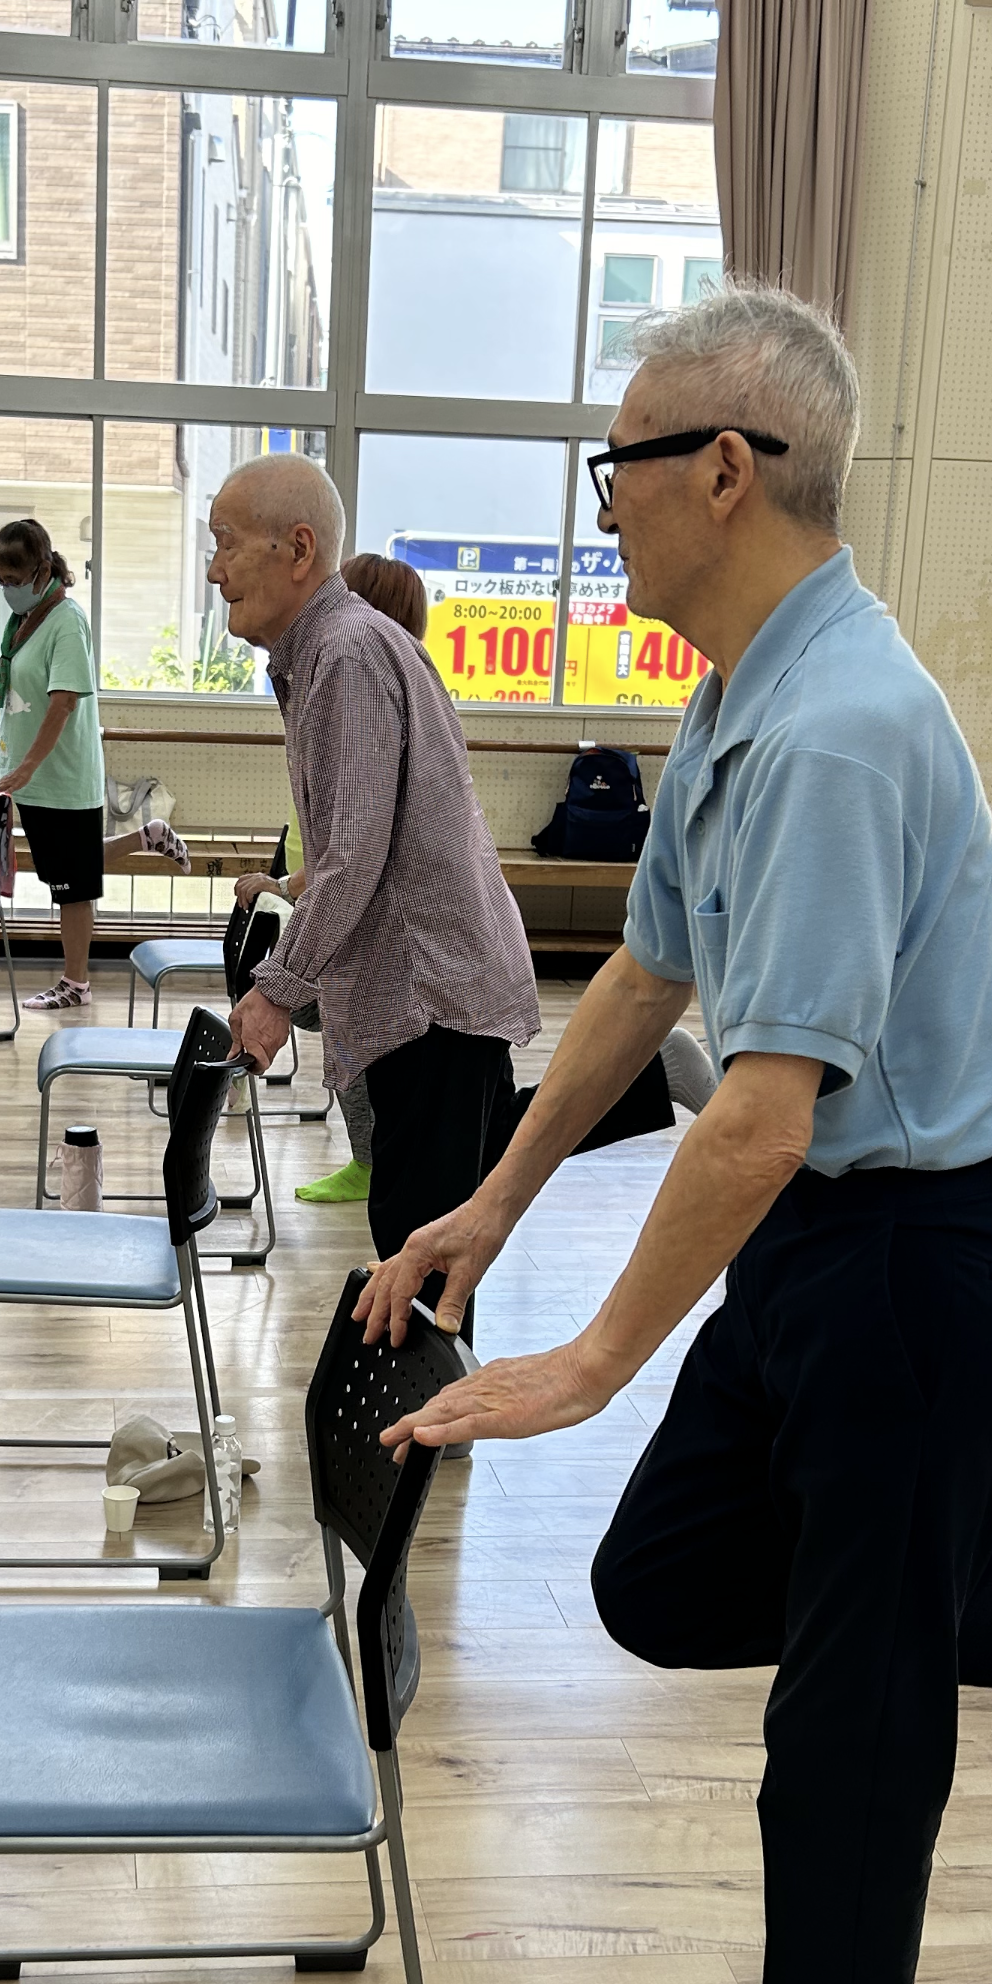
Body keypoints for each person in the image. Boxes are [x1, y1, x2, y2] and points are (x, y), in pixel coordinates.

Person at [355, 280, 992, 1984]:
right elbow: (647, 972)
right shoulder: (740, 693)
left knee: (849, 1717)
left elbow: (760, 1114)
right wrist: (494, 1202)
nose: (600, 501)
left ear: (724, 469)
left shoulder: (836, 732)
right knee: (663, 1575)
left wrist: (584, 1359)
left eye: (615, 464)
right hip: (827, 1252)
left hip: (922, 1269)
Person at [214, 455, 695, 1344]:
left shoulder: (345, 654)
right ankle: (651, 1080)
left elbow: (352, 858)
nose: (215, 570)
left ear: (298, 548)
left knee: (419, 1245)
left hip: (429, 990)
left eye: (226, 544)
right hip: (432, 985)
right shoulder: (329, 652)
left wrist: (277, 990)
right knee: (457, 1180)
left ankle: (425, 1415)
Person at [231, 553, 432, 1205]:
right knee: (469, 1134)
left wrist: (279, 987)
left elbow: (353, 856)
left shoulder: (358, 672)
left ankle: (370, 1159)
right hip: (362, 927)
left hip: (396, 946)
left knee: (481, 1136)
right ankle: (370, 1159)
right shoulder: (347, 678)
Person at [0, 520, 187, 1015]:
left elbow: (63, 703)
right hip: (36, 778)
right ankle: (148, 836)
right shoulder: (27, 620)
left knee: (72, 889)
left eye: (14, 579)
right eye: (0, 580)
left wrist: (26, 768)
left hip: (59, 777)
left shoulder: (66, 620)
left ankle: (76, 983)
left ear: (42, 571)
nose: (7, 589)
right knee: (69, 868)